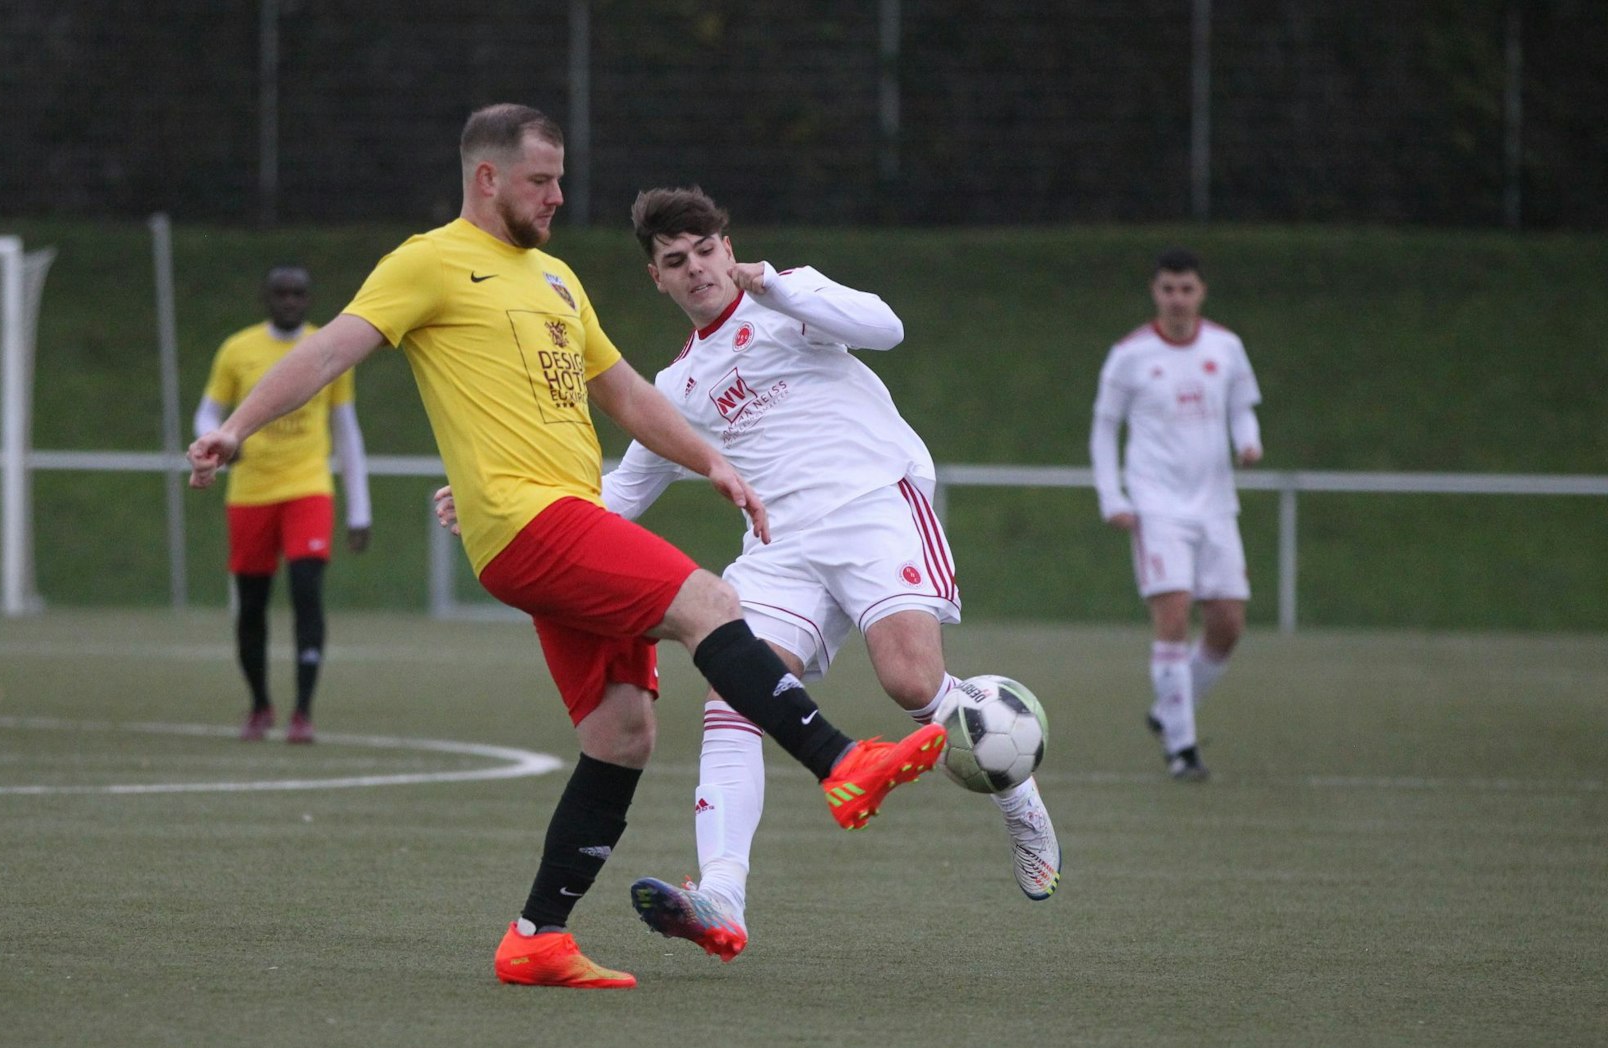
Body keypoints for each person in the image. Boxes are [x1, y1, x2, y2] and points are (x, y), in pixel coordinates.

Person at [188, 104, 943, 991]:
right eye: (541, 180)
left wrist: (711, 461)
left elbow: (625, 394)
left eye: (558, 179)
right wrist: (235, 427)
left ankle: (536, 935)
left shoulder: (556, 278)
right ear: (488, 178)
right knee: (710, 602)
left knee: (622, 731)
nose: (557, 196)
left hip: (567, 517)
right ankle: (842, 763)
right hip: (528, 521)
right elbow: (326, 355)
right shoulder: (427, 262)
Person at [441, 186, 1060, 962]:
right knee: (735, 693)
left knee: (911, 682)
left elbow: (887, 327)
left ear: (728, 248)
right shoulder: (677, 387)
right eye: (676, 261)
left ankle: (1017, 791)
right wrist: (504, 498)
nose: (696, 269)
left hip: (872, 504)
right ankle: (721, 895)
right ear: (656, 279)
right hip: (780, 546)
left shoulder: (790, 301)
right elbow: (621, 494)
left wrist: (777, 285)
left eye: (706, 250)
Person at [1089, 247, 1263, 781]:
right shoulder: (1130, 355)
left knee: (1227, 624)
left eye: (1187, 289)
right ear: (1156, 292)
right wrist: (1113, 496)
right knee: (1174, 613)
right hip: (1157, 505)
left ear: (1201, 292)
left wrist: (1248, 441)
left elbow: (1241, 407)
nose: (1178, 299)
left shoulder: (1226, 347)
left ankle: (1169, 708)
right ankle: (1182, 748)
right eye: (1168, 289)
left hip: (1216, 505)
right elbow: (1104, 428)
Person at [195, 266, 372, 745]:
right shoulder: (237, 349)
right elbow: (208, 411)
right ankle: (259, 705)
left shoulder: (327, 348)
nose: (290, 301)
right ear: (266, 298)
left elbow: (346, 429)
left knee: (306, 593)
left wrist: (360, 510)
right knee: (251, 604)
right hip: (250, 494)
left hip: (308, 490)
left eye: (298, 294)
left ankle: (303, 711)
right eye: (281, 293)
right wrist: (219, 440)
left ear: (308, 299)